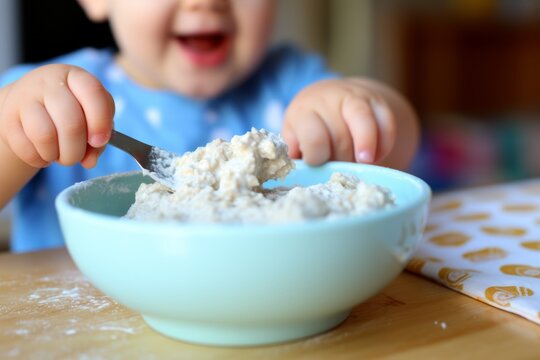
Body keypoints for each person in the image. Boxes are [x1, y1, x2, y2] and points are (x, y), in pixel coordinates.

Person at [0, 0, 419, 253]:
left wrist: (362, 108)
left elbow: (395, 150)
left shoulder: (292, 82)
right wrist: (13, 133)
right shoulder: (44, 97)